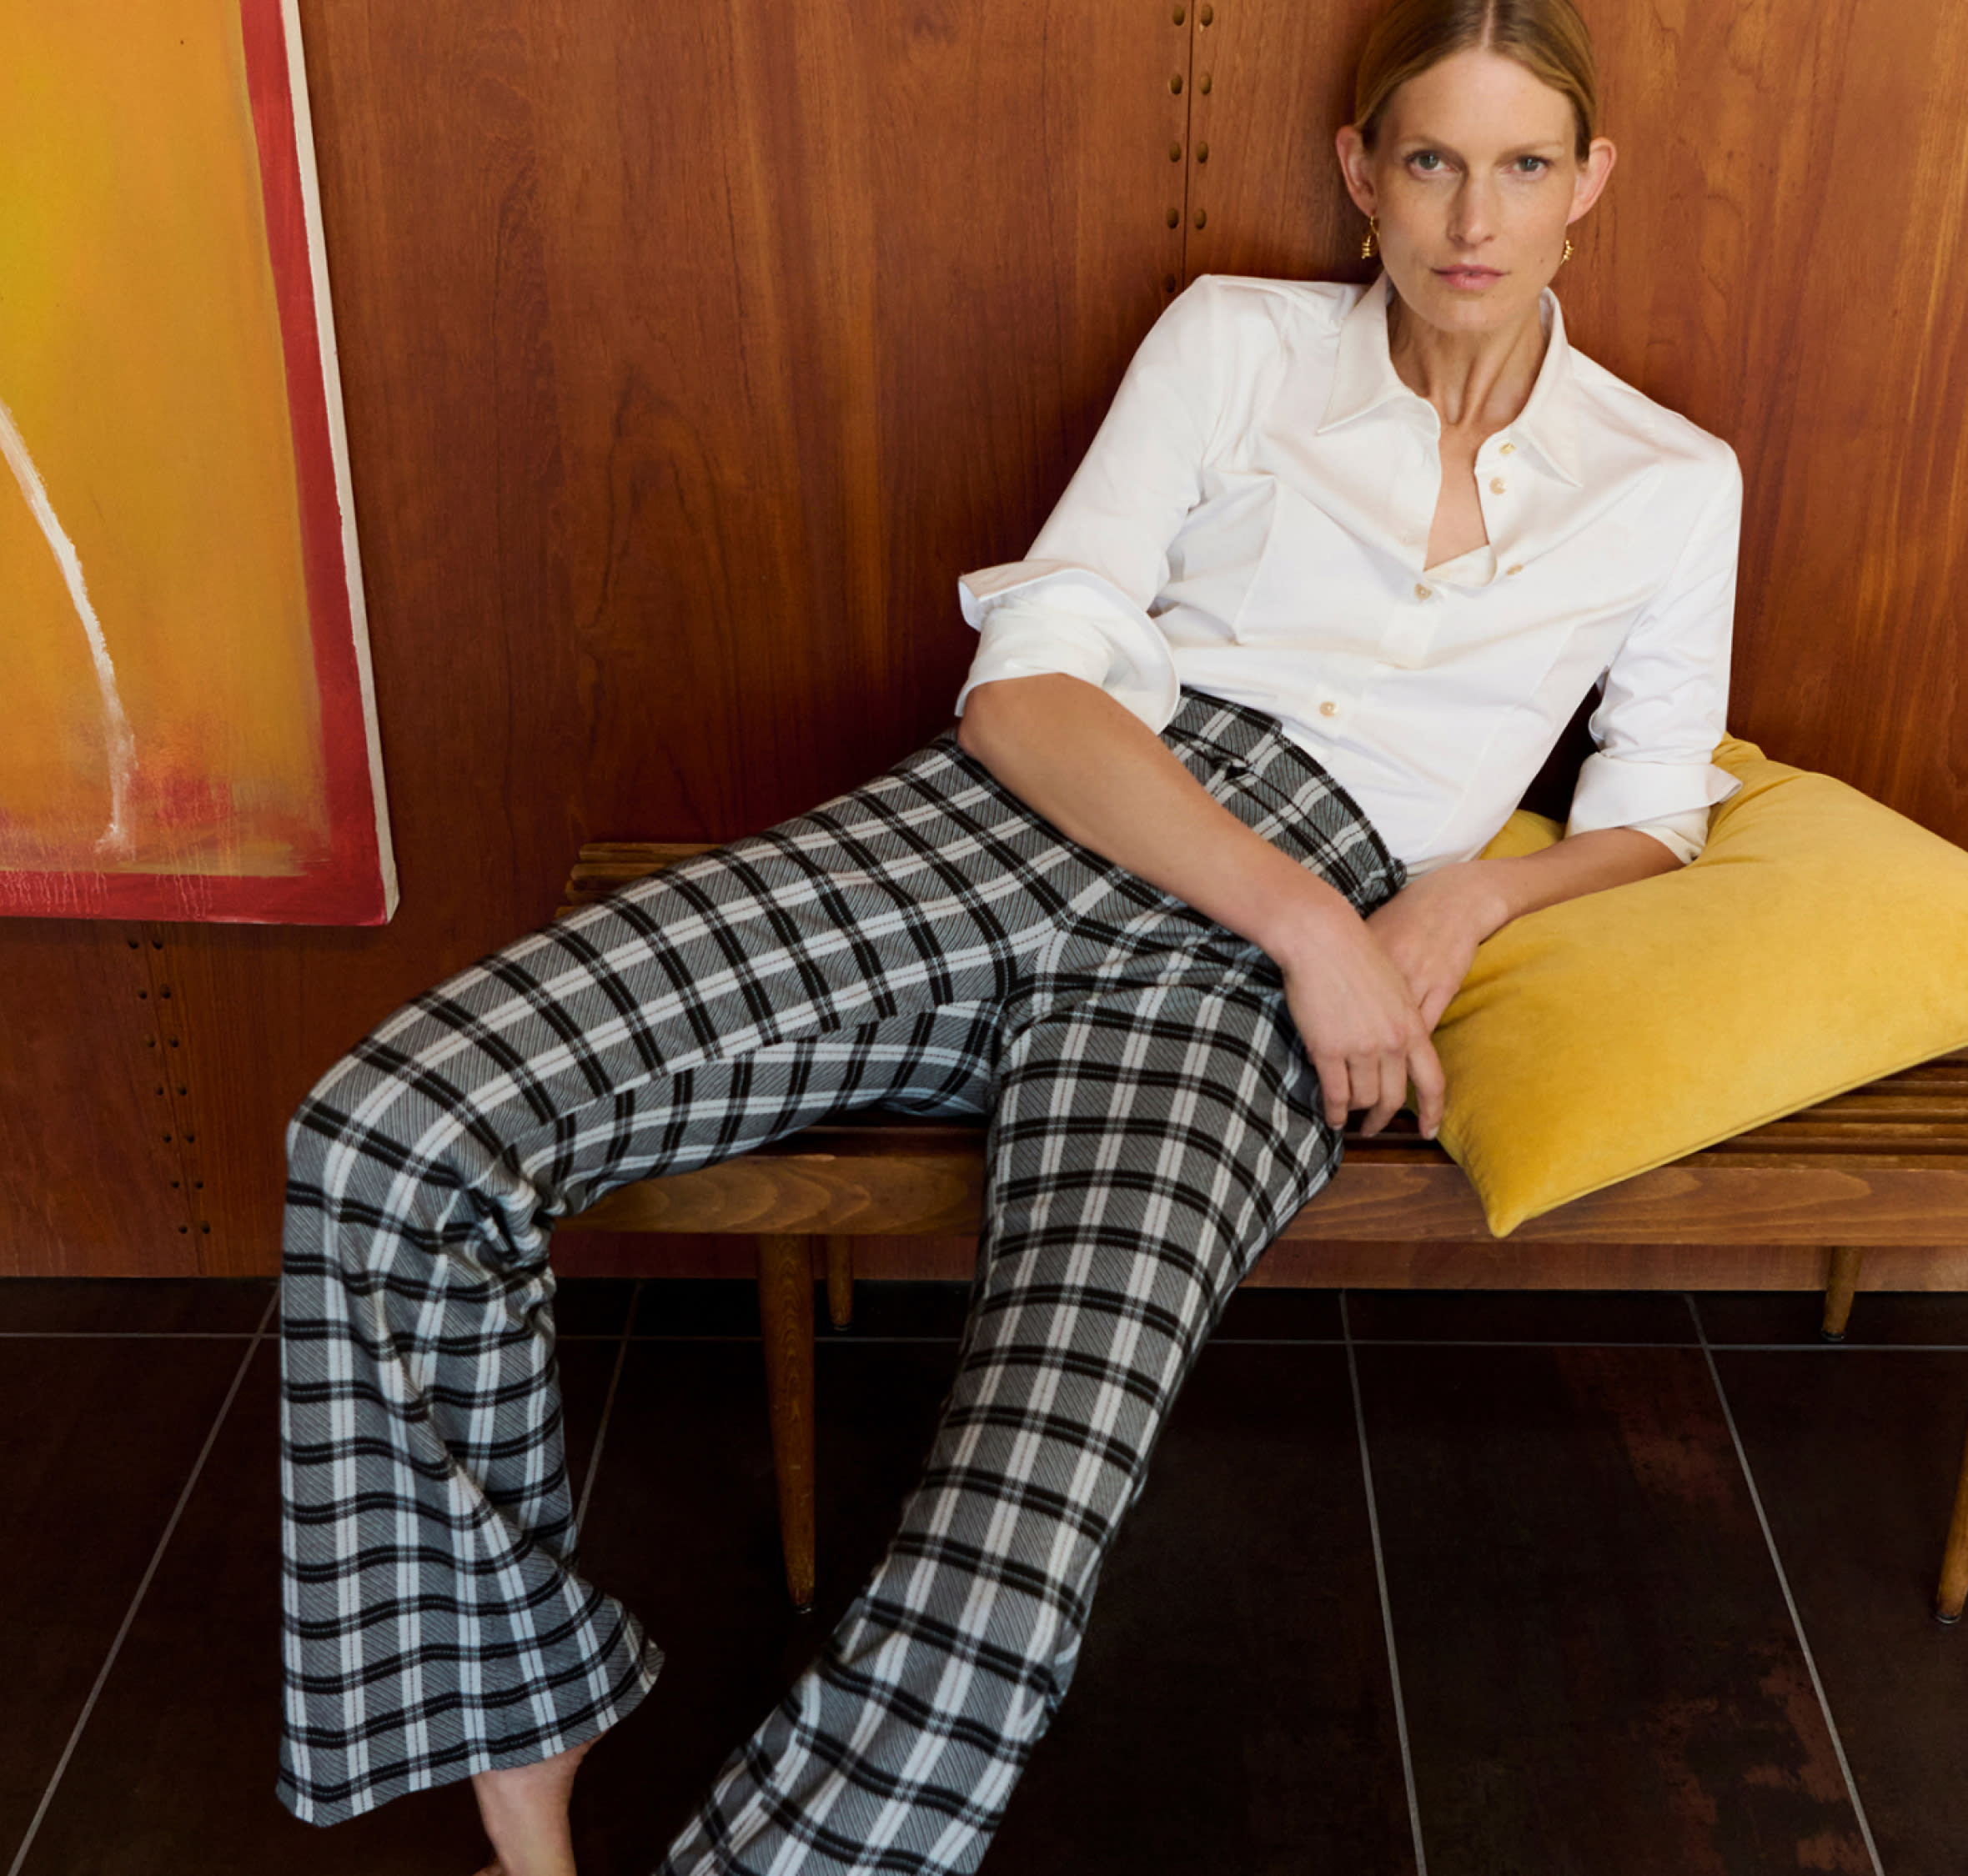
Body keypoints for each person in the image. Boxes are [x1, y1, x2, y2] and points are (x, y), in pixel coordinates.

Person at [274, 3, 1735, 1869]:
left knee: (1015, 1531)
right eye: (1432, 158)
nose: (1475, 212)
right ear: (1360, 173)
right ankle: (518, 1738)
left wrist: (1458, 892)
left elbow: (1654, 810)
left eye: (1525, 164)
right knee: (393, 1127)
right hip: (1041, 824)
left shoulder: (1671, 480)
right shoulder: (1236, 342)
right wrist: (1304, 916)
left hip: (1257, 987)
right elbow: (1030, 696)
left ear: (1588, 184)